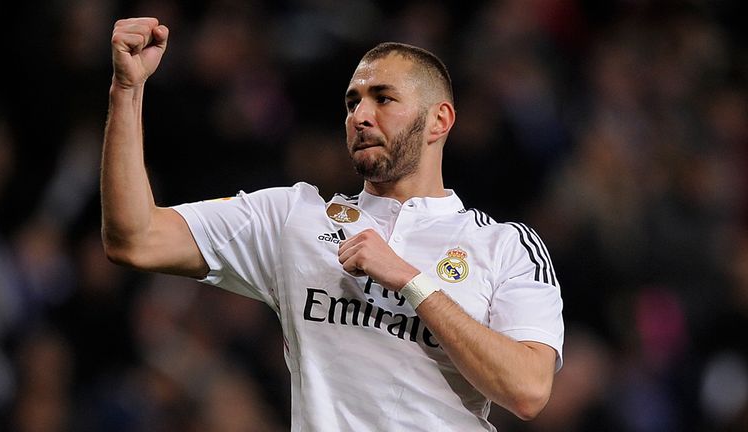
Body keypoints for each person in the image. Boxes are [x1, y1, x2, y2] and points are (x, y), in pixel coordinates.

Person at [102, 17, 564, 431]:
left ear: (439, 120)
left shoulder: (504, 244)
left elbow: (527, 390)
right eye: (352, 102)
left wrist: (411, 281)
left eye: (384, 98)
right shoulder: (292, 218)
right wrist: (127, 90)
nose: (360, 116)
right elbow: (135, 239)